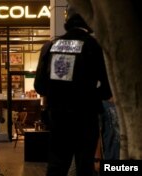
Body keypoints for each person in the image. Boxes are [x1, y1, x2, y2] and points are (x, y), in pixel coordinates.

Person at [34, 6, 112, 176]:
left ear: (67, 20)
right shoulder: (95, 46)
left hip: (58, 118)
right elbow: (107, 90)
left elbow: (39, 86)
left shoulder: (49, 46)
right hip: (86, 118)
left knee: (56, 166)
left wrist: (57, 94)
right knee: (84, 166)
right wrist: (88, 95)